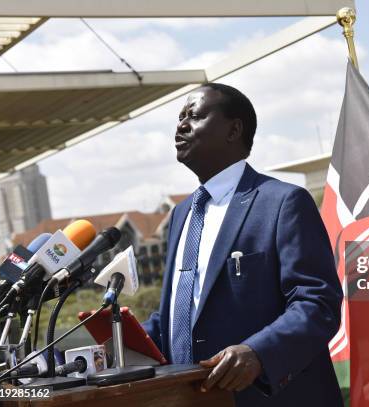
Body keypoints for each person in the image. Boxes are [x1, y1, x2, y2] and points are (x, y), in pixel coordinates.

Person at [142, 83, 344, 406]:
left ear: (233, 129)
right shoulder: (181, 215)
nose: (181, 125)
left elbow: (317, 303)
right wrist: (118, 336)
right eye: (180, 117)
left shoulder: (283, 203)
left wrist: (258, 353)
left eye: (194, 116)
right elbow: (183, 311)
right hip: (190, 398)